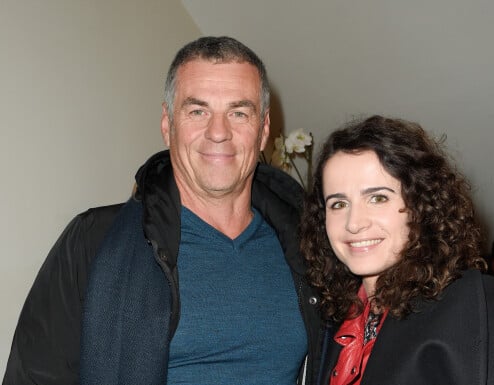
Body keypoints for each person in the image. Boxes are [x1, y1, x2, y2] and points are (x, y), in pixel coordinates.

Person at [3, 36, 323, 385]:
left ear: (263, 131)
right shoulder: (93, 241)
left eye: (239, 112)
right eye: (198, 111)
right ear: (168, 124)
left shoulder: (307, 246)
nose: (219, 132)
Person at [300, 115, 494, 385]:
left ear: (421, 205)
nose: (354, 223)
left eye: (378, 198)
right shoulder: (332, 321)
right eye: (338, 204)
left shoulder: (474, 304)